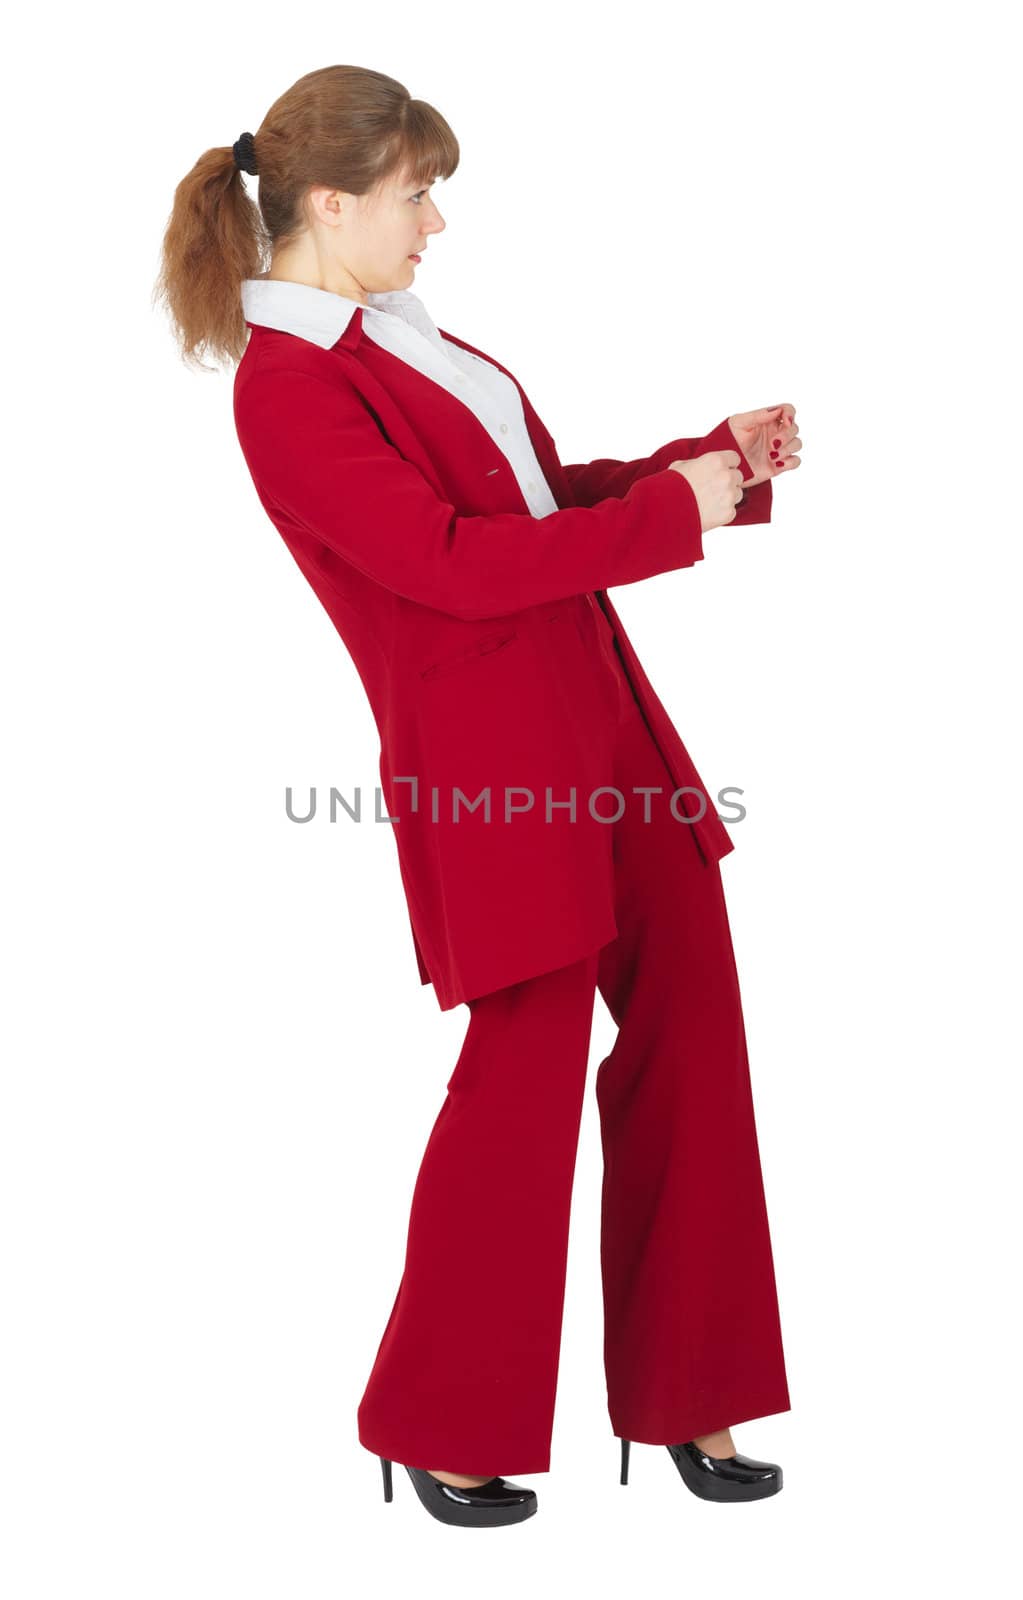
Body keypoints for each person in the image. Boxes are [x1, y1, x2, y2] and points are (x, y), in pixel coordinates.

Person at [155, 63, 802, 1530]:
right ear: (333, 201)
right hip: (497, 778)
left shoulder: (412, 341)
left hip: (609, 733)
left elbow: (531, 506)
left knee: (696, 1036)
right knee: (518, 1092)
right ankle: (440, 1421)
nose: (436, 221)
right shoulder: (290, 389)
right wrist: (664, 522)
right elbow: (445, 568)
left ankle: (693, 1397)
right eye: (415, 193)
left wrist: (702, 470)